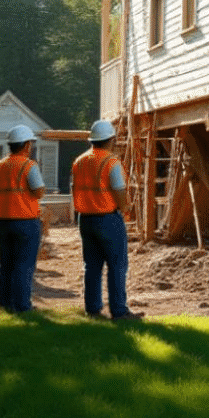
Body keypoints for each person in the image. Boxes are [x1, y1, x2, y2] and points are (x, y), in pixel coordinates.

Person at [73, 119, 143, 321]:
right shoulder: (111, 162)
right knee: (117, 265)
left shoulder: (79, 161)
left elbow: (74, 188)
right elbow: (119, 190)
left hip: (85, 219)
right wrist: (126, 208)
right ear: (111, 140)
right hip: (107, 218)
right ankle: (119, 311)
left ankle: (93, 309)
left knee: (92, 265)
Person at [0, 124, 46, 313]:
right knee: (24, 265)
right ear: (27, 145)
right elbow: (39, 191)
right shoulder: (29, 166)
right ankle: (22, 306)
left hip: (3, 221)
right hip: (26, 221)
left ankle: (5, 302)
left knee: (6, 264)